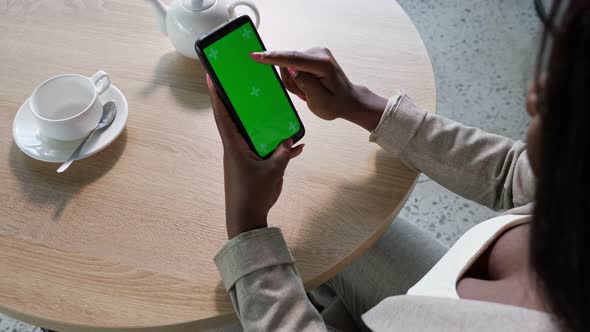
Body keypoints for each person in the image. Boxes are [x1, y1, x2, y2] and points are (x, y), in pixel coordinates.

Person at [207, 0, 589, 331]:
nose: (534, 95)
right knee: (322, 215)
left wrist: (246, 225)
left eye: (573, 90)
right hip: (426, 299)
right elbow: (512, 175)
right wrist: (362, 104)